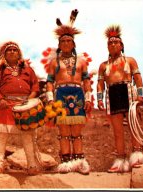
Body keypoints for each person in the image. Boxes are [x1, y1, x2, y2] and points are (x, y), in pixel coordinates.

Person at [45, 10, 92, 174]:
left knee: (77, 131)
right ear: (59, 45)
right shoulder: (54, 62)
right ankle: (66, 162)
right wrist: (50, 99)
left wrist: (88, 98)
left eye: (68, 41)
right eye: (62, 41)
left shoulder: (81, 61)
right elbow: (50, 81)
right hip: (60, 97)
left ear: (73, 44)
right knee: (64, 131)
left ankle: (79, 162)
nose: (65, 43)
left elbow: (86, 80)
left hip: (78, 94)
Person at [97, 25, 143, 173]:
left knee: (133, 126)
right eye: (109, 43)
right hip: (112, 94)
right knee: (117, 131)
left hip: (128, 92)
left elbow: (138, 79)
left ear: (121, 45)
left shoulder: (130, 61)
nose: (112, 45)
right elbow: (100, 84)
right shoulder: (103, 66)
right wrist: (99, 99)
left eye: (115, 42)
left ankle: (137, 156)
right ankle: (120, 160)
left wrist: (140, 95)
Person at [0, 41, 41, 175]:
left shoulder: (27, 70)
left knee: (27, 136)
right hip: (5, 105)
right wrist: (0, 100)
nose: (12, 52)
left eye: (15, 50)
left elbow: (35, 86)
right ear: (4, 54)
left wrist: (30, 100)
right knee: (2, 135)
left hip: (25, 106)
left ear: (19, 54)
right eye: (9, 50)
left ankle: (32, 165)